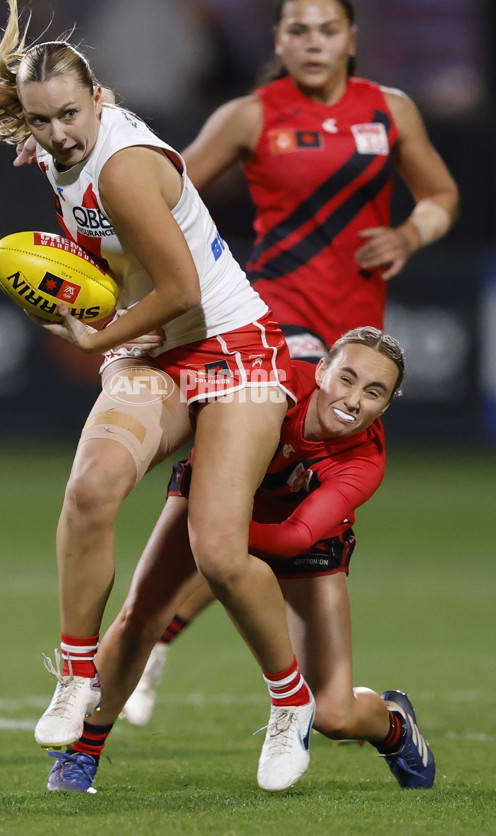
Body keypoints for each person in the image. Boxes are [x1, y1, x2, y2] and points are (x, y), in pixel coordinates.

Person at [0, 0, 318, 793]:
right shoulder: (60, 146)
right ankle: (75, 676)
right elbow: (72, 170)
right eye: (40, 120)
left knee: (216, 553)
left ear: (99, 99)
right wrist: (41, 143)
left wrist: (93, 339)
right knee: (92, 488)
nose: (58, 132)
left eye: (70, 114)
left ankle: (290, 703)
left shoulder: (126, 171)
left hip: (232, 347)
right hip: (154, 351)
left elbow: (178, 291)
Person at [120, 0, 459, 726]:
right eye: (298, 30)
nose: (313, 43)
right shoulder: (250, 115)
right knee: (245, 492)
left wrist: (411, 231)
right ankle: (161, 638)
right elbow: (161, 184)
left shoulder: (390, 112)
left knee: (269, 507)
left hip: (355, 349)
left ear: (352, 39)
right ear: (277, 40)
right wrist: (80, 152)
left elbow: (442, 196)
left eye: (327, 30)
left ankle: (169, 635)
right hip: (271, 324)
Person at [47, 327, 434, 794]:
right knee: (141, 616)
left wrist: (214, 530)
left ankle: (393, 725)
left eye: (374, 393)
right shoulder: (274, 383)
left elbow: (296, 537)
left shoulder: (364, 460)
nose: (353, 400)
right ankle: (81, 756)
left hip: (308, 546)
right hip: (214, 503)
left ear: (386, 406)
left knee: (334, 715)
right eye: (346, 378)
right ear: (321, 369)